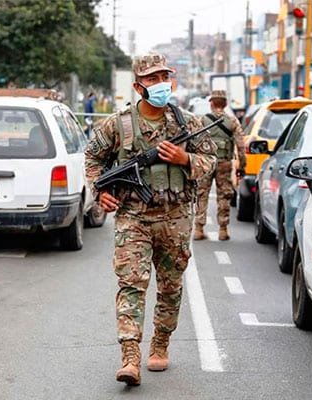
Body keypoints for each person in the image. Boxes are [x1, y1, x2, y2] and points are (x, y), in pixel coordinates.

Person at [84, 53, 217, 386]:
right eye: (152, 79)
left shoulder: (188, 123)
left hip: (176, 217)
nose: (161, 84)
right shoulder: (118, 124)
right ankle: (130, 356)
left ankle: (161, 341)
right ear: (137, 86)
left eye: (164, 77)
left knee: (170, 286)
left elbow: (211, 159)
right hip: (134, 219)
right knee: (131, 285)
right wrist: (100, 192)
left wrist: (186, 158)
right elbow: (93, 159)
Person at [193, 90, 246, 241]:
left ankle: (198, 228)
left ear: (211, 103)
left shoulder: (202, 120)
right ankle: (223, 229)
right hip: (224, 163)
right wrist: (242, 165)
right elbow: (241, 146)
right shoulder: (232, 121)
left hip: (205, 163)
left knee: (201, 194)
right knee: (224, 195)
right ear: (225, 104)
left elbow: (194, 141)